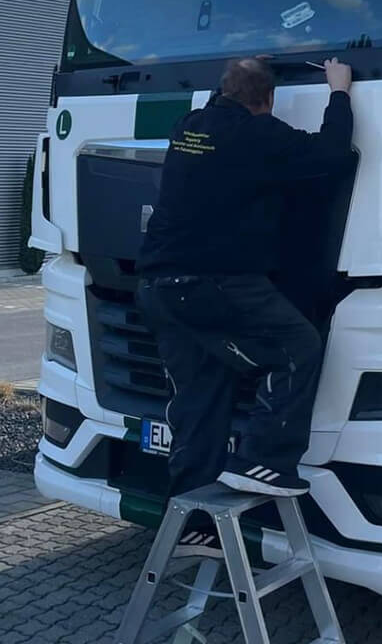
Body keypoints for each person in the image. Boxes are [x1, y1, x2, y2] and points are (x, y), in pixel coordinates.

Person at [136, 56, 354, 558]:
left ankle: (192, 523)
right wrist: (338, 92)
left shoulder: (187, 128)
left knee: (200, 396)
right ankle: (266, 460)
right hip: (214, 283)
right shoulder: (259, 136)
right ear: (267, 101)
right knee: (298, 345)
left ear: (222, 92)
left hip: (158, 288)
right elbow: (332, 155)